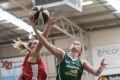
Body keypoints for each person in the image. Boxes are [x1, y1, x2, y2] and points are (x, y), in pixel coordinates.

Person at [30, 16, 107, 80]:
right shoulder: (62, 54)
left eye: (78, 44)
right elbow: (46, 44)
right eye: (73, 43)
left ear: (80, 51)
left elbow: (96, 73)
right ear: (70, 47)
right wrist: (36, 29)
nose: (75, 44)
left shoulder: (82, 62)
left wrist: (100, 67)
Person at [13, 16, 55, 80]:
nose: (37, 45)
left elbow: (23, 74)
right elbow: (43, 39)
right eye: (35, 43)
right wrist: (47, 26)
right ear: (30, 46)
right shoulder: (34, 54)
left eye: (37, 43)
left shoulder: (30, 56)